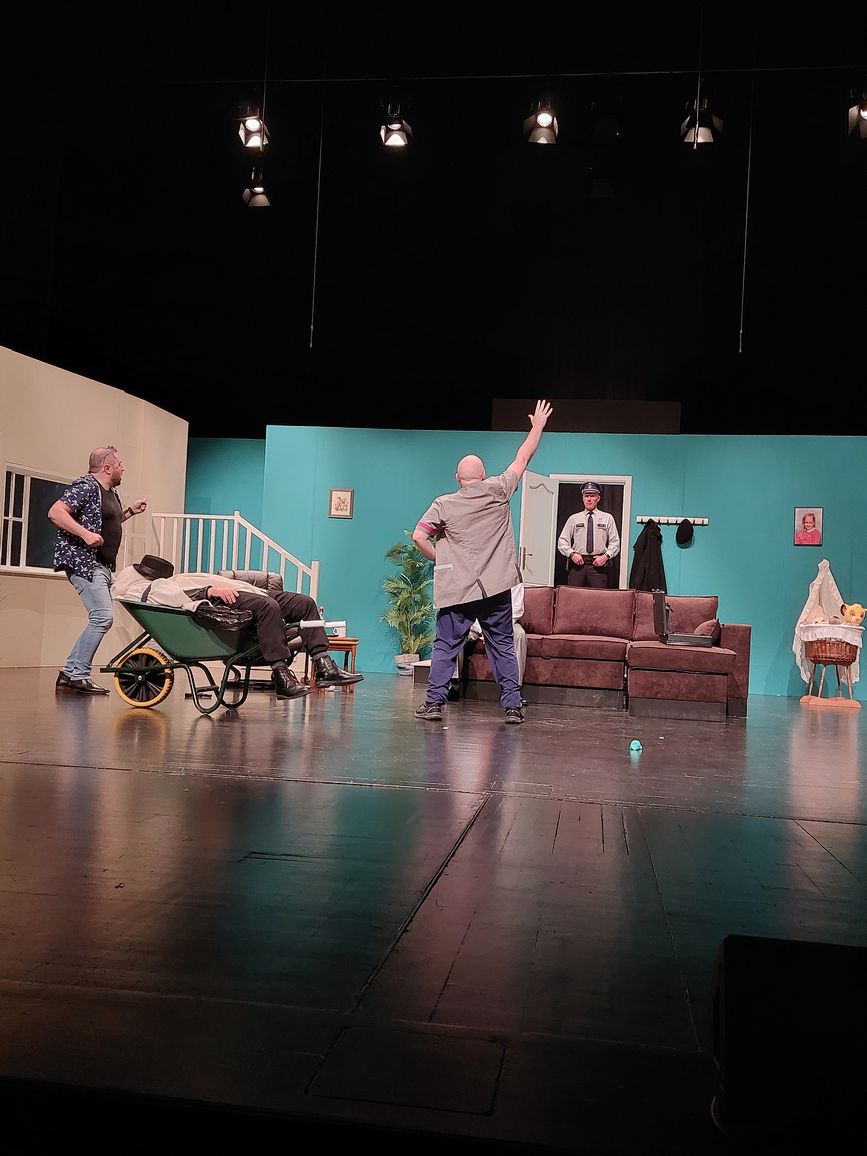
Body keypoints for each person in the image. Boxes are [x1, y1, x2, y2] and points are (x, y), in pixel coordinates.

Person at [411, 399, 553, 725]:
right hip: (495, 588)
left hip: (458, 589)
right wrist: (537, 427)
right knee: (502, 644)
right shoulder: (499, 489)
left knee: (446, 646)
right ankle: (512, 706)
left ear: (457, 478)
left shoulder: (444, 505)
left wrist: (441, 560)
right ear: (484, 474)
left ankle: (434, 704)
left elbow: (419, 536)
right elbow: (523, 457)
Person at [112, 556, 363, 698]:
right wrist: (209, 591)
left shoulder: (175, 579)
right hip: (222, 600)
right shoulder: (151, 588)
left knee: (304, 603)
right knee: (268, 607)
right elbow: (177, 598)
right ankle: (281, 676)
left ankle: (323, 665)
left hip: (243, 592)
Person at [49, 445, 148, 695]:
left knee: (101, 617)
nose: (123, 468)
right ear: (107, 468)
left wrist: (129, 512)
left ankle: (69, 673)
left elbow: (105, 521)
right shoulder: (86, 486)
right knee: (102, 617)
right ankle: (78, 675)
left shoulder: (110, 493)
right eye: (119, 464)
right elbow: (56, 512)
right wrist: (85, 534)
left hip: (102, 565)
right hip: (85, 563)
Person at [453, 582, 527, 694]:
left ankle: (514, 689)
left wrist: (494, 629)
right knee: (455, 632)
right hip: (475, 622)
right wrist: (483, 629)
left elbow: (517, 609)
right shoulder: (474, 574)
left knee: (519, 634)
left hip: (505, 623)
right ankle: (453, 685)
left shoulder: (514, 577)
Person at [557, 481, 620, 588]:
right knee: (574, 595)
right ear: (583, 498)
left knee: (598, 596)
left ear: (598, 498)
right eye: (586, 496)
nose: (589, 499)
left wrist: (606, 556)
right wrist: (572, 554)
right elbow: (562, 541)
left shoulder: (607, 518)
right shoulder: (574, 518)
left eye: (592, 496)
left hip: (598, 566)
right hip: (578, 565)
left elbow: (615, 542)